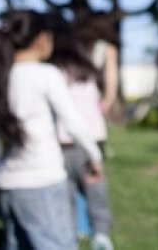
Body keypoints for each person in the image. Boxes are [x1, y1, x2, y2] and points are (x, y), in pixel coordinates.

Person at [0, 10, 103, 250]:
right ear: (43, 39)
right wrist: (95, 155)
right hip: (43, 183)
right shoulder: (46, 75)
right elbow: (73, 122)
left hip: (8, 185)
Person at [49, 16, 114, 250]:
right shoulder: (88, 73)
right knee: (95, 190)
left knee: (67, 194)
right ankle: (101, 235)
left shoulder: (53, 72)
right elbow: (107, 93)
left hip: (62, 141)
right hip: (91, 141)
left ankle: (73, 234)